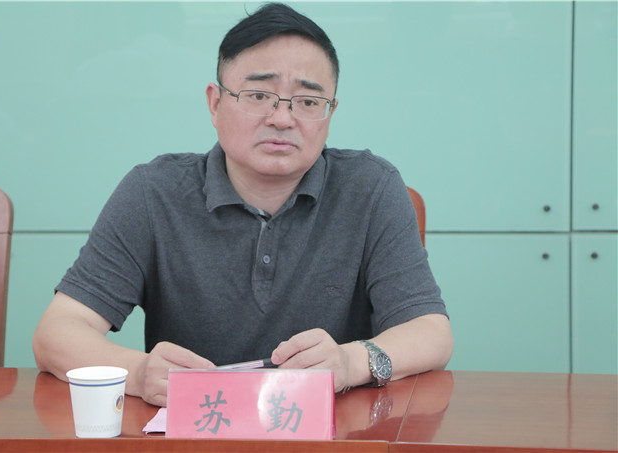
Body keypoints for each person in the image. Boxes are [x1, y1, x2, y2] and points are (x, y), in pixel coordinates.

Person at [33, 2, 452, 407]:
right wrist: (140, 373)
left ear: (330, 112)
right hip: (194, 433)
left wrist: (349, 362)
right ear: (215, 103)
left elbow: (431, 332)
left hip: (335, 432)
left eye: (308, 101)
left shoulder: (371, 188)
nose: (282, 118)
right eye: (258, 95)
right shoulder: (152, 193)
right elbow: (57, 332)